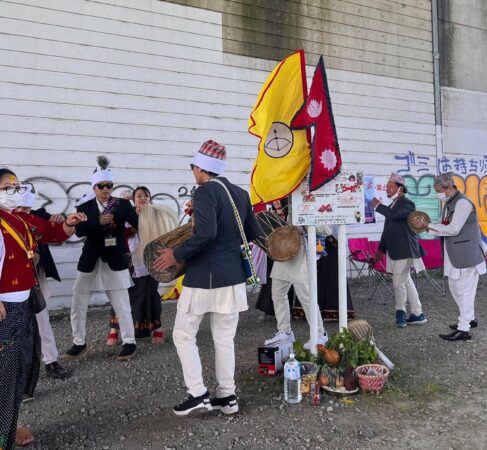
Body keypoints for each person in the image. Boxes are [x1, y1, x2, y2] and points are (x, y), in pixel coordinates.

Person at [154, 140, 261, 416]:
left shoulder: (203, 192)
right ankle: (227, 397)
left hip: (204, 277)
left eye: (193, 166)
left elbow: (206, 234)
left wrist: (175, 254)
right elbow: (252, 232)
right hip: (233, 277)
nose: (192, 171)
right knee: (224, 339)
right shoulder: (240, 193)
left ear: (201, 167)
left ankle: (198, 394)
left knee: (183, 334)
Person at [0, 168, 86, 450]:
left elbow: (50, 231)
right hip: (5, 307)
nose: (14, 191)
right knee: (4, 370)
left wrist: (69, 223)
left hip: (23, 302)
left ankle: (10, 424)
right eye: (7, 186)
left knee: (18, 366)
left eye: (16, 186)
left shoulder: (20, 219)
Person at [64, 156, 139, 361]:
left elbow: (138, 223)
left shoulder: (123, 204)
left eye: (109, 185)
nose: (105, 189)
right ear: (94, 187)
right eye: (101, 186)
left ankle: (129, 342)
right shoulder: (84, 206)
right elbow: (80, 231)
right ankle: (79, 342)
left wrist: (146, 214)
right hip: (90, 259)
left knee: (122, 304)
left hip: (115, 258)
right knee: (78, 301)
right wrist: (98, 222)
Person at [413, 171, 486, 341]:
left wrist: (428, 225)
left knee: (465, 291)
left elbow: (453, 229)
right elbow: (443, 226)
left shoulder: (463, 203)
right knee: (455, 288)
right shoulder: (448, 203)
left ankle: (464, 329)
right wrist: (426, 226)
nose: (437, 194)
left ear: (449, 187)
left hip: (467, 255)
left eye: (439, 190)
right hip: (454, 254)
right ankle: (469, 318)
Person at [15, 187, 71, 382]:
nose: (23, 209)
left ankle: (51, 360)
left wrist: (61, 220)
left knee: (41, 317)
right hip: (9, 278)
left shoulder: (38, 216)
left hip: (34, 274)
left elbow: (55, 227)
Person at [108, 186, 171, 345]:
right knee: (122, 293)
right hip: (127, 260)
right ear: (133, 199)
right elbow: (116, 233)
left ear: (150, 199)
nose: (142, 198)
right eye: (139, 196)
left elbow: (162, 234)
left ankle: (157, 328)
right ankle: (114, 330)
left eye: (146, 196)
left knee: (150, 293)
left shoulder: (156, 214)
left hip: (149, 260)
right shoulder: (125, 213)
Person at [264, 202, 329, 350]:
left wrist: (305, 223)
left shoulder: (319, 201)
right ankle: (285, 331)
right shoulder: (289, 199)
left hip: (302, 252)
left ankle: (320, 333)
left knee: (306, 297)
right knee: (277, 294)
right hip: (284, 248)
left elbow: (327, 229)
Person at [371, 173, 427, 328]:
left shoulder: (407, 204)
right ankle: (417, 313)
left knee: (397, 283)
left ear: (400, 188)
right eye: (387, 186)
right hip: (395, 251)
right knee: (405, 281)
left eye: (390, 186)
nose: (387, 189)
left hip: (405, 250)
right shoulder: (392, 206)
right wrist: (381, 249)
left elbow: (395, 216)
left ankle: (400, 312)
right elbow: (387, 230)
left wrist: (378, 206)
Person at [292, 226, 356, 322]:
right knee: (312, 275)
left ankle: (332, 310)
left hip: (329, 241)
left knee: (331, 276)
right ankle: (310, 311)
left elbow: (333, 228)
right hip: (311, 240)